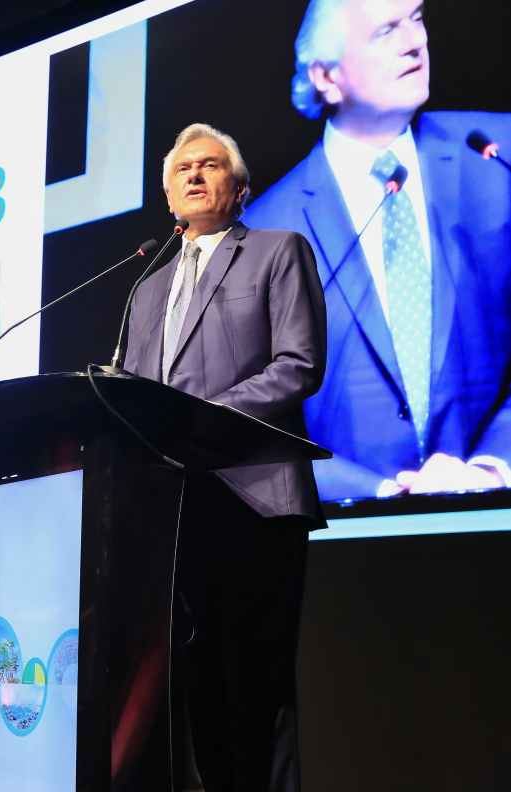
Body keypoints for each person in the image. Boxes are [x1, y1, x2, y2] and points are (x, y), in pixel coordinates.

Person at [123, 123, 326, 791]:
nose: (194, 175)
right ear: (166, 193)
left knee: (255, 686)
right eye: (182, 168)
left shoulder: (275, 251)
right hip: (170, 509)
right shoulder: (145, 289)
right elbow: (132, 389)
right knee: (192, 686)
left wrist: (201, 423)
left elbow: (296, 364)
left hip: (250, 496)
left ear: (238, 189)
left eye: (210, 166)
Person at [243, 0, 511, 501]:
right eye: (386, 30)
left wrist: (495, 468)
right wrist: (381, 493)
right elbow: (247, 434)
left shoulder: (497, 156)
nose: (415, 42)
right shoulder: (263, 233)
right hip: (349, 551)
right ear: (326, 76)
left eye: (417, 18)